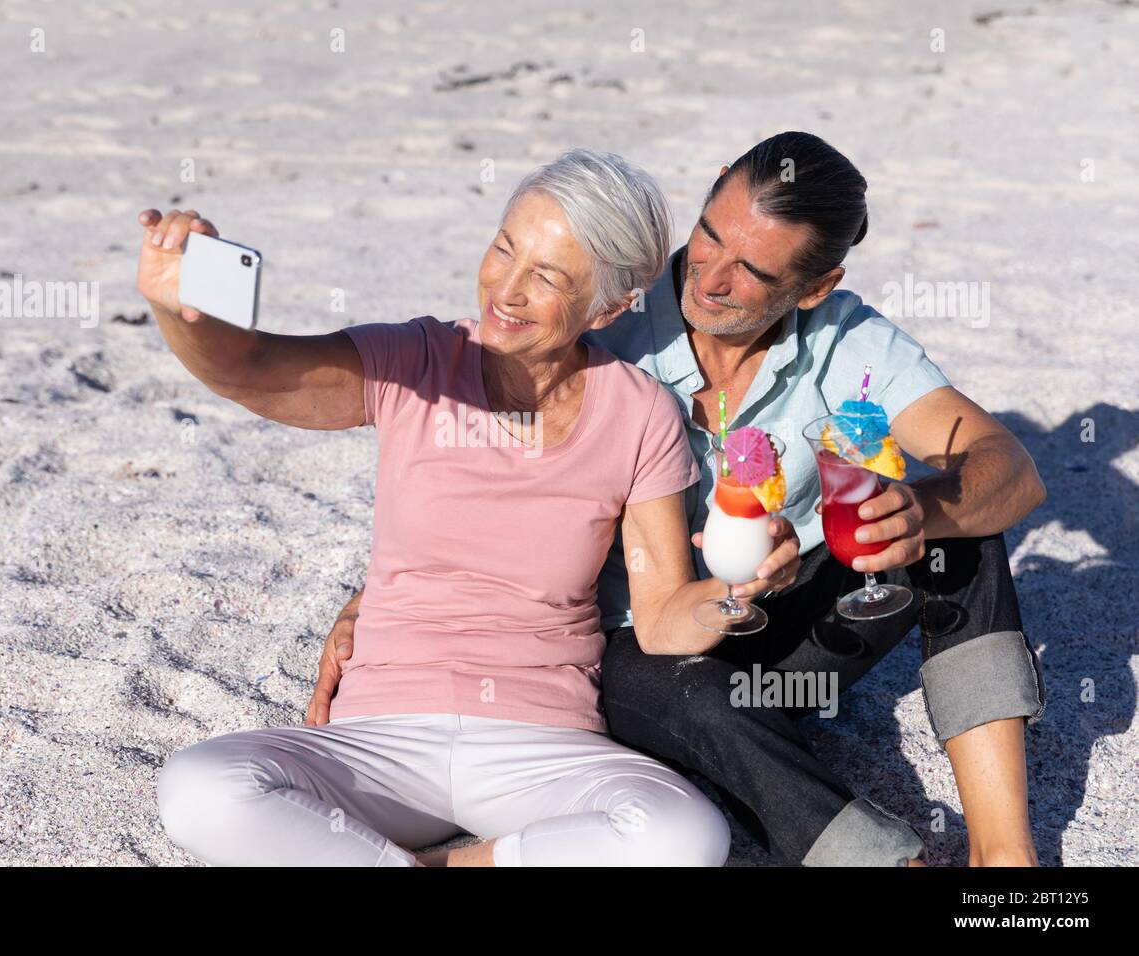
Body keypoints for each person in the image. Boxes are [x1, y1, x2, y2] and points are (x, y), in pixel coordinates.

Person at [314, 132, 1047, 867]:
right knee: (698, 698)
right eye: (708, 236)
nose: (710, 279)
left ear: (816, 286)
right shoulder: (605, 319)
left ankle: (1005, 861)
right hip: (634, 651)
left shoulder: (847, 338)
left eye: (753, 270)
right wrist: (372, 603)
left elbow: (1010, 469)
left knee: (964, 533)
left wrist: (924, 511)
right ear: (713, 185)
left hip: (788, 636)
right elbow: (468, 473)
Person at [141, 148, 804, 866]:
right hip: (379, 740)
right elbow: (254, 371)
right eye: (504, 250)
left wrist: (738, 590)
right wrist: (184, 312)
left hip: (543, 744)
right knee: (198, 785)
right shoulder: (417, 361)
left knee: (684, 834)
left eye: (546, 277)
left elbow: (665, 619)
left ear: (609, 308)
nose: (507, 291)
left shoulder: (639, 412)